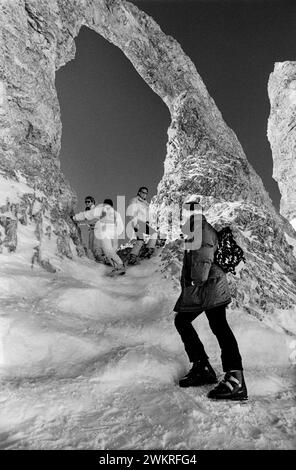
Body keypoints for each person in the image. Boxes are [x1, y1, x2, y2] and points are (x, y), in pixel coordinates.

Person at [174, 196, 248, 401]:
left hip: (210, 288)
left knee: (215, 326)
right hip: (207, 290)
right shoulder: (196, 229)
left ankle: (235, 379)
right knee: (209, 324)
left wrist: (195, 280)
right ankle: (204, 367)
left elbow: (203, 257)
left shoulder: (200, 229)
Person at [73, 198, 125, 277]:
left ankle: (120, 265)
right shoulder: (116, 214)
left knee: (107, 250)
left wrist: (74, 218)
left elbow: (87, 214)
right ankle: (117, 267)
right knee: (109, 251)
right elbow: (121, 227)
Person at [126, 186, 157, 265]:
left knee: (154, 233)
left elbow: (147, 215)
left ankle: (148, 250)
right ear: (139, 192)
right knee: (140, 241)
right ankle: (132, 258)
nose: (145, 194)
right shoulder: (134, 200)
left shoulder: (146, 204)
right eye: (143, 192)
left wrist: (147, 222)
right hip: (137, 222)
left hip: (143, 223)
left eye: (146, 193)